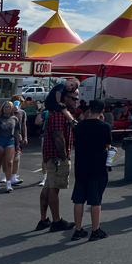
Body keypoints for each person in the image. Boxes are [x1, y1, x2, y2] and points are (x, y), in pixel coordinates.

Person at [36, 89, 78, 232]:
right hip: (56, 157)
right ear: (65, 98)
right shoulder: (59, 115)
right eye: (73, 98)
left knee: (48, 187)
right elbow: (59, 137)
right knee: (54, 188)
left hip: (52, 156)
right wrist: (64, 156)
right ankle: (56, 220)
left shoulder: (58, 113)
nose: (76, 101)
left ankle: (44, 219)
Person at [70, 99, 112, 242]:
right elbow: (108, 144)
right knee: (95, 200)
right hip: (97, 166)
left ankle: (78, 229)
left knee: (79, 199)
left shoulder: (80, 125)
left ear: (89, 110)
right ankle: (95, 229)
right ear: (102, 111)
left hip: (81, 165)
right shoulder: (105, 127)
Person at [0, 101, 21, 193]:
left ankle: (8, 183)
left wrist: (18, 144)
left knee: (9, 162)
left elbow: (16, 133)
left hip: (10, 141)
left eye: (8, 107)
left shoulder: (15, 119)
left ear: (11, 108)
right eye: (5, 107)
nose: (6, 109)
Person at [10, 98, 28, 186]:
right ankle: (5, 175)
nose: (19, 103)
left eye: (21, 102)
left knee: (17, 157)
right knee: (8, 158)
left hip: (18, 137)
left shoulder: (22, 113)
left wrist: (25, 137)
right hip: (8, 137)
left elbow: (24, 125)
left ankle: (13, 176)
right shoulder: (8, 111)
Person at [35, 109, 50, 187]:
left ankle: (52, 177)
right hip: (46, 135)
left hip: (57, 135)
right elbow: (37, 122)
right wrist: (41, 111)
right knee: (45, 157)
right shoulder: (46, 112)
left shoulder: (61, 111)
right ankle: (45, 177)